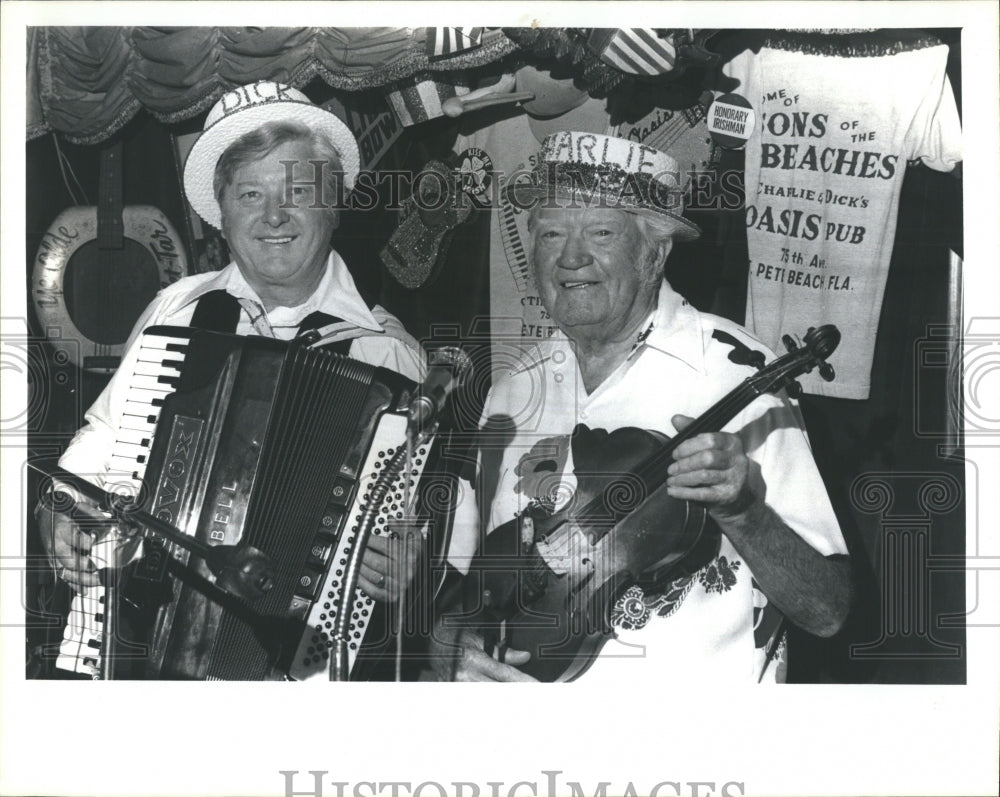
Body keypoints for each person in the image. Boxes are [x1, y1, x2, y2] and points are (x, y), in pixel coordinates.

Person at [434, 131, 852, 684]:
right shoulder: (513, 388)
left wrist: (743, 511)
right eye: (552, 232)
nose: (571, 257)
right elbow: (466, 586)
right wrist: (450, 645)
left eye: (602, 232)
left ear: (655, 252)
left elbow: (826, 610)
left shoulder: (735, 373)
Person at [39, 81, 425, 610]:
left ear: (333, 205)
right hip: (157, 617)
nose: (273, 216)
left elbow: (420, 524)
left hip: (305, 645)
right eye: (250, 195)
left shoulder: (387, 355)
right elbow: (107, 438)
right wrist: (60, 506)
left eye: (297, 192)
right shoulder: (176, 310)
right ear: (221, 215)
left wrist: (410, 561)